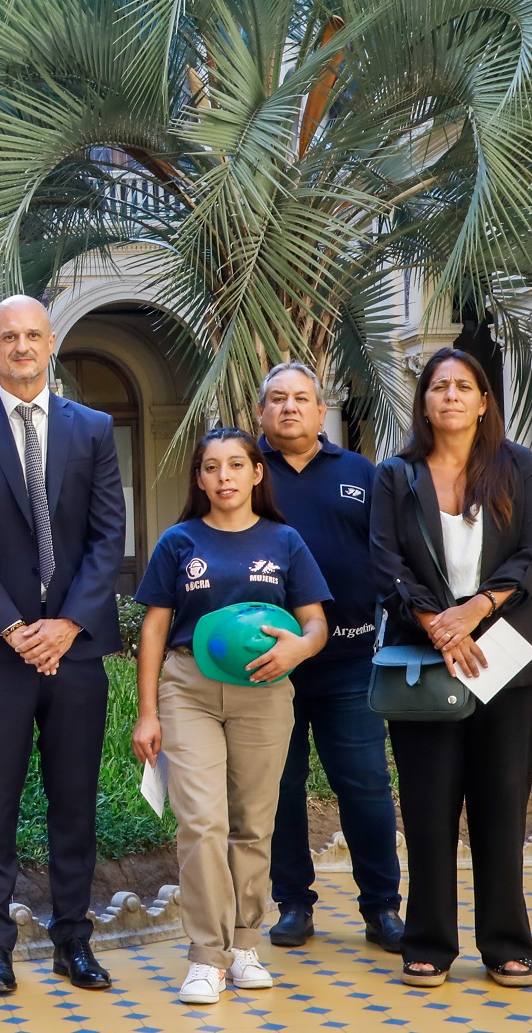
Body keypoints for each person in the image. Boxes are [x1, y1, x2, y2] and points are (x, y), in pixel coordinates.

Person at [0, 295, 125, 996]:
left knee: (75, 801)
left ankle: (74, 940)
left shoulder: (94, 428)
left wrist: (67, 624)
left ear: (51, 342)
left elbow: (109, 538)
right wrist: (14, 628)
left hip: (75, 651)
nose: (20, 345)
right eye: (9, 335)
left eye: (32, 334)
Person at [371, 347, 532, 990]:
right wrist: (438, 626)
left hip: (506, 658)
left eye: (464, 386)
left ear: (485, 402)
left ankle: (507, 944)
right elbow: (385, 562)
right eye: (438, 387)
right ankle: (427, 943)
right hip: (424, 659)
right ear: (423, 402)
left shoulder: (519, 468)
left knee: (501, 802)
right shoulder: (395, 476)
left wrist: (475, 611)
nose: (451, 395)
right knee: (428, 807)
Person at [131, 427, 332, 1004]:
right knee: (200, 822)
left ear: (255, 473)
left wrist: (301, 647)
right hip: (188, 688)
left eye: (236, 465)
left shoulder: (286, 540)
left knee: (252, 823)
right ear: (199, 478)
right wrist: (148, 712)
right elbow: (154, 628)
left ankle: (244, 942)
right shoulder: (178, 541)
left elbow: (314, 622)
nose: (224, 477)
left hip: (265, 691)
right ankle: (205, 956)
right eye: (212, 467)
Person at [255, 363, 405, 952]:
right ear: (260, 411)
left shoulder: (361, 473)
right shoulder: (246, 470)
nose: (290, 408)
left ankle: (382, 908)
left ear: (322, 411)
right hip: (267, 667)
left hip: (348, 665)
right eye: (277, 399)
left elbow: (390, 558)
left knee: (365, 785)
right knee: (281, 788)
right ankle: (293, 903)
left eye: (302, 399)